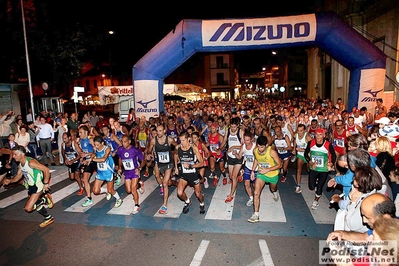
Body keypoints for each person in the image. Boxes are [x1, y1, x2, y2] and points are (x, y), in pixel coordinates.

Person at [3, 145, 55, 228]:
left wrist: (45, 184)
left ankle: (45, 199)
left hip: (38, 185)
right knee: (36, 204)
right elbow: (17, 177)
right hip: (31, 186)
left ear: (22, 154)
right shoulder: (20, 165)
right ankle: (48, 217)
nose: (13, 156)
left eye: (15, 154)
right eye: (13, 154)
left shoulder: (30, 162)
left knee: (28, 208)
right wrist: (10, 181)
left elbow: (46, 170)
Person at [248, 135, 282, 223]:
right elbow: (256, 159)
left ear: (266, 145)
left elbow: (279, 165)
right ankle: (256, 214)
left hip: (272, 175)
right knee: (256, 192)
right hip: (261, 174)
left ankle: (275, 192)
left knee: (272, 188)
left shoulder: (272, 152)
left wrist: (268, 169)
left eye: (262, 147)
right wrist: (252, 171)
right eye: (258, 146)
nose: (259, 149)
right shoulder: (255, 150)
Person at [146, 124, 178, 214]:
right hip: (160, 164)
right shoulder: (153, 141)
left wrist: (176, 155)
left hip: (168, 164)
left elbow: (177, 146)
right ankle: (175, 183)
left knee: (164, 184)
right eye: (157, 131)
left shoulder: (169, 139)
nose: (158, 133)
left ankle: (164, 206)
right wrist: (149, 154)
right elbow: (149, 150)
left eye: (160, 131)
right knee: (168, 182)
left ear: (164, 131)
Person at [174, 131, 205, 214]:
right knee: (179, 193)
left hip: (193, 174)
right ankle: (187, 201)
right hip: (183, 174)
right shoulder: (178, 147)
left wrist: (191, 166)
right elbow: (175, 155)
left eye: (183, 140)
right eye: (180, 140)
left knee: (198, 194)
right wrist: (176, 167)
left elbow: (202, 163)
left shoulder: (193, 148)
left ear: (188, 139)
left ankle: (202, 203)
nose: (182, 142)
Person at [304, 127, 336, 210]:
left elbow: (334, 155)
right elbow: (305, 153)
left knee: (320, 187)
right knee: (311, 186)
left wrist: (331, 163)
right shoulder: (311, 143)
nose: (318, 137)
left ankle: (315, 201)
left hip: (324, 169)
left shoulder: (328, 144)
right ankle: (316, 184)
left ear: (324, 135)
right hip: (314, 167)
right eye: (316, 135)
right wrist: (310, 162)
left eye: (320, 135)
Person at [89, 136, 123, 208]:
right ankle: (106, 191)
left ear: (102, 143)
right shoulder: (96, 148)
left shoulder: (107, 149)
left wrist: (92, 160)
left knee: (111, 190)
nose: (96, 146)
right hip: (100, 172)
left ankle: (119, 199)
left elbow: (103, 159)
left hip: (108, 172)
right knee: (95, 191)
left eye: (97, 145)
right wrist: (91, 156)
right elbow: (94, 153)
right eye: (95, 145)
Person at [117, 135, 145, 214]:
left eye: (125, 141)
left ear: (129, 141)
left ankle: (137, 205)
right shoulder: (121, 149)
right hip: (127, 172)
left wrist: (139, 168)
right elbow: (120, 159)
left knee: (133, 190)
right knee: (128, 191)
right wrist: (119, 167)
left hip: (134, 172)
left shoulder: (135, 150)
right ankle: (139, 185)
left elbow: (143, 161)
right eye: (122, 141)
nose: (123, 143)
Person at [223, 117, 244, 203]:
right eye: (231, 126)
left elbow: (243, 146)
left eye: (234, 127)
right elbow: (224, 141)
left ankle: (231, 195)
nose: (233, 128)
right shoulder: (228, 131)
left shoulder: (241, 132)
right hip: (230, 156)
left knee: (234, 177)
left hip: (239, 156)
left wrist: (234, 147)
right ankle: (240, 172)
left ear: (238, 126)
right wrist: (219, 149)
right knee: (231, 176)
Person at [75, 125, 97, 207]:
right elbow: (82, 152)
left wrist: (88, 155)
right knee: (84, 179)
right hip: (88, 162)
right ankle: (89, 199)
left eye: (81, 132)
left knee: (106, 178)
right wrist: (82, 158)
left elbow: (97, 151)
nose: (79, 134)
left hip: (96, 161)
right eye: (79, 133)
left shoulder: (90, 140)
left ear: (86, 132)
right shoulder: (80, 141)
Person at [236, 131, 257, 207]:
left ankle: (256, 198)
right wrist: (236, 154)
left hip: (256, 169)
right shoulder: (243, 146)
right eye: (245, 140)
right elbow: (239, 157)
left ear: (251, 140)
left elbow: (257, 159)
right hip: (247, 168)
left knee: (255, 186)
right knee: (246, 184)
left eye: (248, 140)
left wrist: (253, 170)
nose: (246, 142)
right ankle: (251, 198)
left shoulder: (255, 147)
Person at [292, 123, 312, 193]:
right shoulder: (295, 135)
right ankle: (298, 186)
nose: (299, 132)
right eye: (298, 130)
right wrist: (294, 149)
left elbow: (312, 147)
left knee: (309, 170)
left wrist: (303, 150)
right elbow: (294, 141)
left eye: (301, 131)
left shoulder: (308, 137)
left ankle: (314, 180)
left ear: (304, 131)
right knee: (298, 170)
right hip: (300, 155)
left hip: (308, 155)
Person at [206, 123, 226, 187]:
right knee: (212, 167)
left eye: (213, 128)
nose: (212, 129)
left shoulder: (220, 137)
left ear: (217, 128)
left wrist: (219, 150)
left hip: (220, 155)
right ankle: (215, 177)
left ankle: (225, 177)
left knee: (222, 168)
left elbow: (224, 147)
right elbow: (209, 143)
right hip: (212, 154)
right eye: (211, 128)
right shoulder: (209, 135)